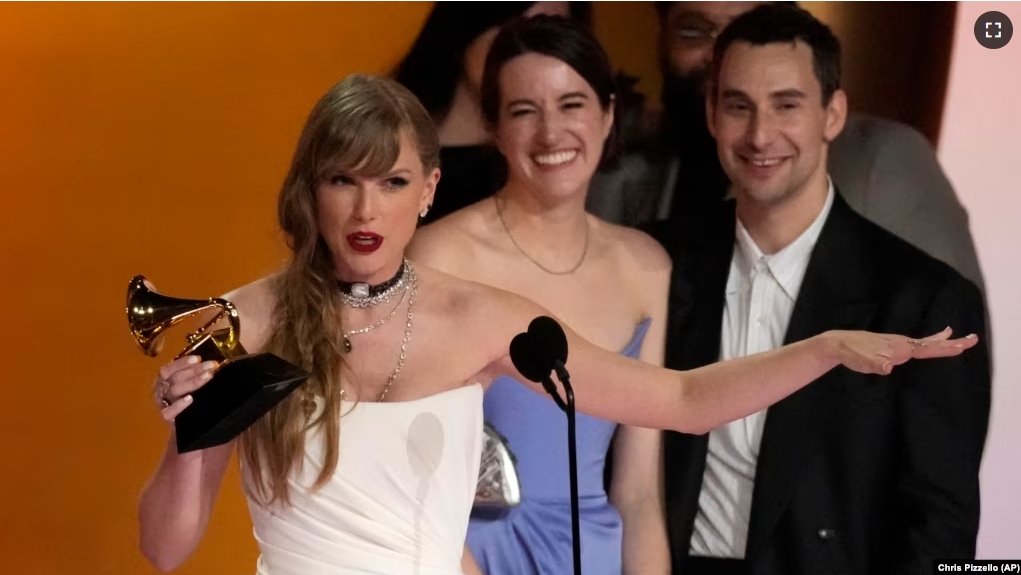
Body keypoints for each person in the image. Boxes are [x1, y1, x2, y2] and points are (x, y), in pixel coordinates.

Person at [137, 73, 977, 575]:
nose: (366, 208)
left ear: (427, 190)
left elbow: (680, 398)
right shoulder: (241, 318)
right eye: (342, 181)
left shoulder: (477, 317)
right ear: (309, 188)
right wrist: (185, 441)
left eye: (391, 182)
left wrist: (824, 347)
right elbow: (166, 549)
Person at [644, 5, 991, 574]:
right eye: (737, 106)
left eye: (787, 105)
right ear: (710, 114)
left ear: (833, 114)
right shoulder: (657, 262)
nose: (759, 135)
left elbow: (940, 526)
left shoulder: (921, 298)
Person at [407, 15, 669, 575]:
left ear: (608, 113)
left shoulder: (646, 268)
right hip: (464, 558)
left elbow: (640, 493)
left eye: (572, 104)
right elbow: (410, 476)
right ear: (493, 126)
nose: (552, 133)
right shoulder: (439, 258)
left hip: (594, 555)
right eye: (525, 111)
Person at [586, 1, 987, 295]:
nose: (724, 57)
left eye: (751, 30)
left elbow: (952, 352)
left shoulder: (882, 161)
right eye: (694, 31)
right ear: (661, 40)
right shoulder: (622, 170)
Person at [394, 2, 589, 225]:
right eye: (511, 29)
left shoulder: (570, 157)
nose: (529, 55)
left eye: (552, 37)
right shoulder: (379, 144)